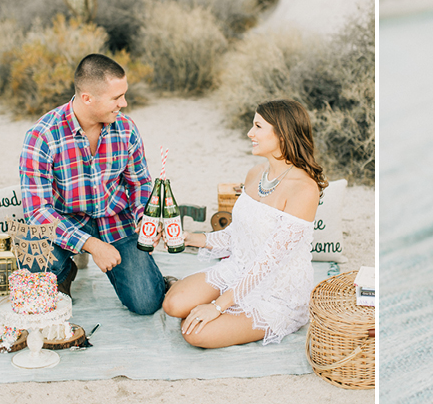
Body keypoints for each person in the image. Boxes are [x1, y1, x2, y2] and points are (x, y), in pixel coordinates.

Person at [162, 99, 327, 348]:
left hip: (275, 290)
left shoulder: (304, 189)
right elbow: (236, 235)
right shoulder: (255, 173)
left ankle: (264, 316)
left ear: (282, 134)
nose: (250, 133)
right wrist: (189, 238)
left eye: (258, 126)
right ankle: (220, 307)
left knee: (195, 334)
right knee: (172, 305)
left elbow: (268, 262)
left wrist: (217, 306)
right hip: (239, 268)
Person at [19, 53, 165, 315]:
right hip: (65, 221)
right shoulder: (42, 136)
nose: (124, 103)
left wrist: (146, 217)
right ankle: (65, 269)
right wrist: (91, 244)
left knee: (147, 303)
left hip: (115, 220)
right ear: (87, 98)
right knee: (33, 262)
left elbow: (140, 182)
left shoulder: (126, 128)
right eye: (116, 98)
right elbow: (37, 211)